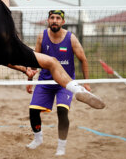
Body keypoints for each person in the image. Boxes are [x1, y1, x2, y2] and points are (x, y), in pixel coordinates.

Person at [26, 10, 91, 155]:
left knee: (62, 111)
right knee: (33, 111)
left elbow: (83, 59)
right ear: (48, 21)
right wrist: (29, 79)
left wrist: (87, 83)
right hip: (45, 80)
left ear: (63, 22)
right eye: (52, 18)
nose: (54, 20)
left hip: (65, 82)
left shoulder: (71, 38)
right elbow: (34, 60)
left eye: (58, 18)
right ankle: (38, 139)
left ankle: (61, 147)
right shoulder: (42, 36)